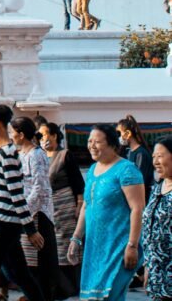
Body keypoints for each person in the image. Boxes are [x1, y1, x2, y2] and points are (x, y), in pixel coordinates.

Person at [0, 103, 45, 301]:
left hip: (4, 225)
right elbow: (7, 189)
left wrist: (30, 229)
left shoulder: (7, 154)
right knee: (20, 274)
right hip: (6, 224)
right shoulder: (4, 153)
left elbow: (17, 194)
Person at [67, 124, 145, 301]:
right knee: (94, 297)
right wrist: (76, 238)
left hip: (120, 246)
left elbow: (137, 208)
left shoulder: (127, 170)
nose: (91, 145)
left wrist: (132, 246)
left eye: (97, 142)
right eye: (89, 141)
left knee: (109, 296)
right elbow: (87, 205)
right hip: (95, 247)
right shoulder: (93, 169)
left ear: (111, 144)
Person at [10, 117, 59, 301]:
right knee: (28, 264)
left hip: (38, 214)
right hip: (26, 214)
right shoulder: (21, 154)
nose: (11, 136)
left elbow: (39, 188)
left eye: (13, 132)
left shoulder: (36, 154)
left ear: (21, 135)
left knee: (40, 265)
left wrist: (24, 211)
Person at [38, 122, 84, 299]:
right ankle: (55, 287)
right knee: (51, 248)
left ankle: (70, 287)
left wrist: (79, 205)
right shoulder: (40, 156)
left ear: (54, 136)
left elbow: (78, 183)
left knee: (65, 246)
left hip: (65, 207)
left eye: (44, 135)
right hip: (47, 208)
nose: (42, 139)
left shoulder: (65, 155)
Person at [141, 136, 172, 301]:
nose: (155, 161)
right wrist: (148, 267)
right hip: (157, 275)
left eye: (160, 156)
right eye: (154, 157)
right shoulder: (157, 188)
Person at [116, 115, 154, 200]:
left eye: (119, 133)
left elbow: (139, 179)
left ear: (127, 134)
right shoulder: (128, 152)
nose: (118, 137)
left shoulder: (141, 154)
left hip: (140, 199)